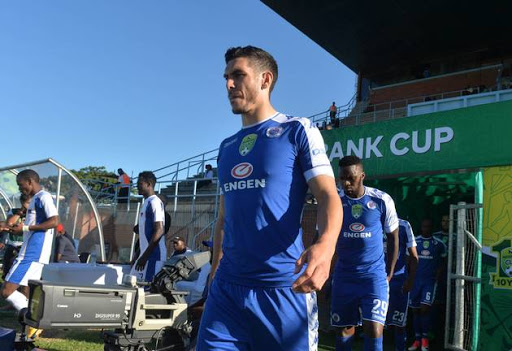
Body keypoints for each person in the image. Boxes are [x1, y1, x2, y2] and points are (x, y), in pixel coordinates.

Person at [197, 45, 343, 351]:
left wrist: (326, 245)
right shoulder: (226, 147)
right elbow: (224, 218)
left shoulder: (297, 130)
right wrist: (215, 271)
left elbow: (328, 194)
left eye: (238, 75)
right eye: (226, 77)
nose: (229, 84)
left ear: (265, 79)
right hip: (227, 291)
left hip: (283, 289)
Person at [331, 155, 399, 351]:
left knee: (374, 329)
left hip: (373, 276)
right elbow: (323, 236)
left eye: (350, 178)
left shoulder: (381, 200)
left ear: (362, 176)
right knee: (344, 330)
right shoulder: (335, 201)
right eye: (342, 178)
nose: (345, 183)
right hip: (344, 276)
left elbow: (394, 238)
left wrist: (389, 273)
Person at [0, 170, 59, 338]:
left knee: (6, 291)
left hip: (31, 254)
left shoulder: (43, 197)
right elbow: (30, 231)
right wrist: (12, 229)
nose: (20, 189)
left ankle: (35, 320)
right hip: (30, 253)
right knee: (22, 291)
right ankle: (33, 323)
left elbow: (55, 221)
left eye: (21, 185)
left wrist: (25, 227)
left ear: (30, 181)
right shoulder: (34, 200)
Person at [408, 219, 447, 351]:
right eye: (424, 226)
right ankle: (417, 340)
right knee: (415, 310)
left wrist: (437, 277)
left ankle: (425, 340)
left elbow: (443, 262)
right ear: (421, 227)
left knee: (425, 309)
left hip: (429, 282)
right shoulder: (415, 242)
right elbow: (409, 261)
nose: (426, 228)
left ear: (432, 228)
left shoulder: (439, 244)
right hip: (415, 281)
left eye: (429, 226)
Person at [385, 218, 418, 351]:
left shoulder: (404, 226)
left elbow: (414, 256)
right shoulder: (373, 220)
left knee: (399, 324)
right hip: (377, 281)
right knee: (376, 322)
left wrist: (410, 281)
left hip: (398, 281)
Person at [130, 171, 166, 283]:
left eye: (140, 183)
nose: (137, 186)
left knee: (147, 292)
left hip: (153, 257)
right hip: (145, 256)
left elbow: (159, 230)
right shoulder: (146, 202)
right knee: (130, 285)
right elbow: (145, 234)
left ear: (149, 184)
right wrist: (138, 255)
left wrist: (144, 257)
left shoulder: (155, 202)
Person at [1, 194, 32, 280]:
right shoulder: (14, 211)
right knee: (8, 271)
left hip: (25, 246)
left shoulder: (33, 213)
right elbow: (9, 223)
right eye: (26, 203)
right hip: (13, 245)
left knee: (23, 276)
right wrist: (20, 213)